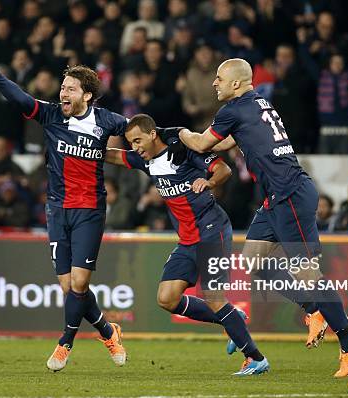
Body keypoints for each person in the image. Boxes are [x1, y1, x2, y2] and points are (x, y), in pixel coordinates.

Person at [173, 58, 348, 378]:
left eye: (219, 78)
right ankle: (313, 308)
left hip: (290, 196)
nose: (214, 83)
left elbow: (203, 142)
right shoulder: (258, 103)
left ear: (236, 83)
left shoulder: (232, 110)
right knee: (255, 264)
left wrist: (179, 132)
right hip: (275, 199)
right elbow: (238, 138)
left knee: (308, 275)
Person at [0, 55, 127, 372]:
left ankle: (65, 343)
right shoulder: (52, 115)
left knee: (79, 285)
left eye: (70, 89)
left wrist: (173, 139)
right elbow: (21, 98)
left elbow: (140, 129)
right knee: (68, 287)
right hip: (57, 210)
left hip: (89, 210)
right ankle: (107, 331)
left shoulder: (107, 121)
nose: (63, 94)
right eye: (62, 88)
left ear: (87, 95)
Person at [106, 114, 269, 376]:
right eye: (130, 143)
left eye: (137, 140)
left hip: (213, 230)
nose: (134, 147)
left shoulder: (183, 152)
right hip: (188, 239)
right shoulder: (144, 160)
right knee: (167, 298)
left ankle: (255, 358)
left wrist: (209, 182)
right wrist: (83, 147)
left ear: (152, 134)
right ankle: (232, 319)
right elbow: (113, 156)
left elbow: (223, 170)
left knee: (213, 297)